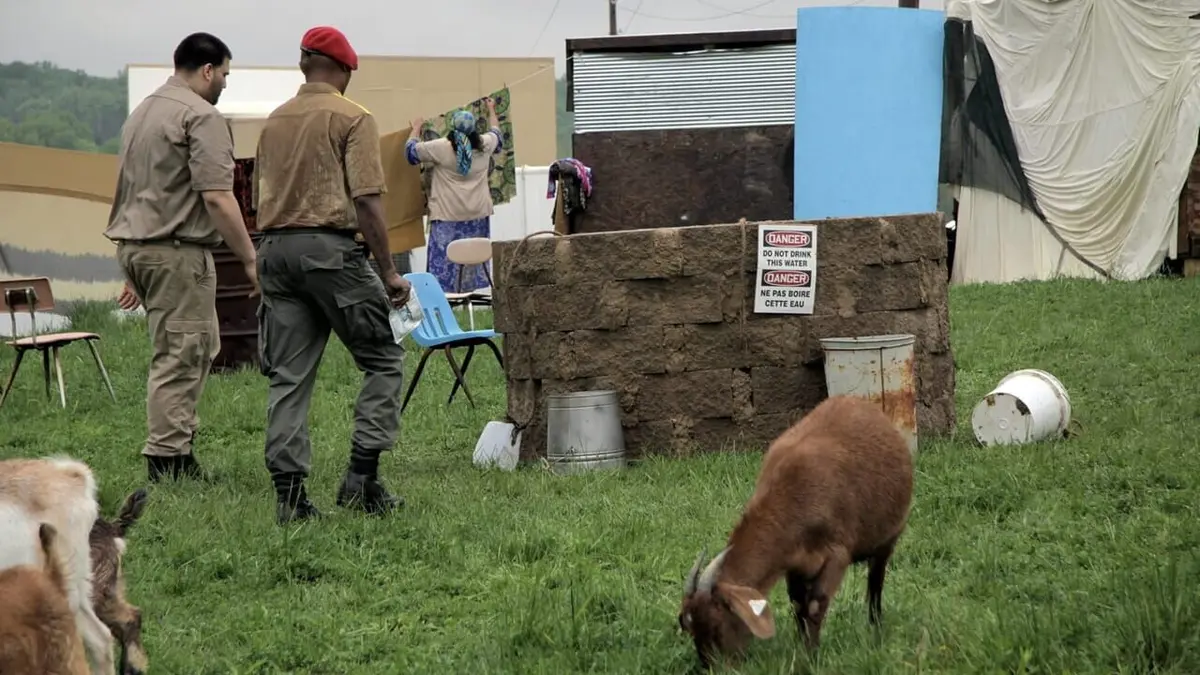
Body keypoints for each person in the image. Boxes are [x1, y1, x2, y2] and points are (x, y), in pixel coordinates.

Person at [253, 26, 411, 525]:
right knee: (383, 359)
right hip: (330, 253)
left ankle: (290, 498)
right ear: (344, 71)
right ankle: (361, 480)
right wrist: (388, 273)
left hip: (274, 252)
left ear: (304, 65)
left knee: (289, 378)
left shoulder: (274, 121)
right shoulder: (352, 117)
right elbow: (366, 199)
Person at [106, 32, 259, 483]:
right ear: (208, 70)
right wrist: (249, 258)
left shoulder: (142, 113)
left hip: (140, 246)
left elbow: (138, 189)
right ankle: (168, 461)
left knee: (193, 344)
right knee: (182, 352)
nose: (225, 84)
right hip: (175, 251)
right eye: (225, 74)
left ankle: (177, 447)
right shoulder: (200, 115)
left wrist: (136, 266)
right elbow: (217, 196)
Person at [405, 98, 503, 293]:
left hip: (447, 215)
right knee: (472, 259)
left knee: (444, 265)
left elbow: (410, 153)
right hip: (477, 214)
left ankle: (445, 300)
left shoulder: (441, 147)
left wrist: (416, 128)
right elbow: (497, 135)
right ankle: (468, 294)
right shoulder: (484, 145)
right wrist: (491, 109)